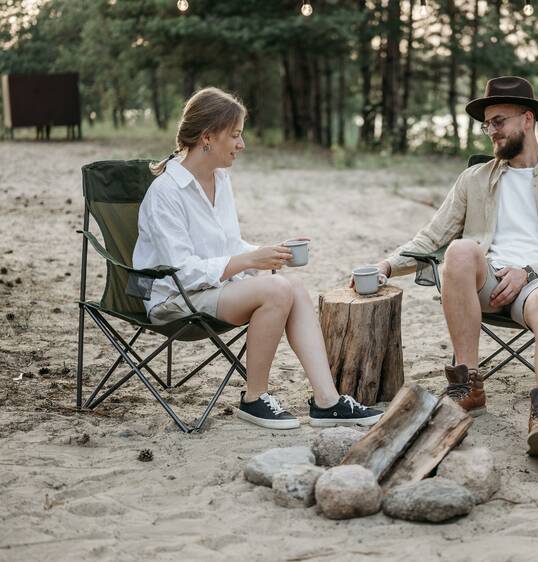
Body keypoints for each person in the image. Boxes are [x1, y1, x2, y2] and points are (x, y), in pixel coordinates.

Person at [368, 77, 538, 458]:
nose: (491, 131)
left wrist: (530, 271)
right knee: (459, 250)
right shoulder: (473, 179)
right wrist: (387, 266)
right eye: (486, 123)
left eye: (499, 121)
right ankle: (468, 386)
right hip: (486, 282)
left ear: (527, 119)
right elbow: (433, 236)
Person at [133, 87, 382, 430]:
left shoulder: (220, 177)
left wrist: (268, 253)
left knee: (291, 284)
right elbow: (183, 272)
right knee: (275, 291)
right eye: (235, 135)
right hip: (172, 298)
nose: (242, 144)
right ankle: (254, 397)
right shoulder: (166, 193)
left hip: (212, 289)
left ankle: (328, 401)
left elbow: (228, 244)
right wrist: (251, 262)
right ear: (207, 137)